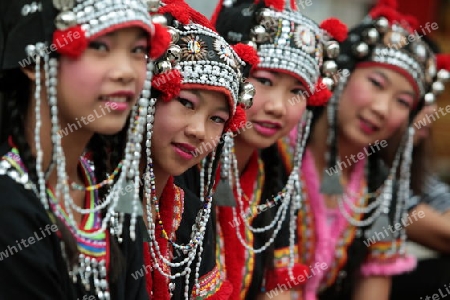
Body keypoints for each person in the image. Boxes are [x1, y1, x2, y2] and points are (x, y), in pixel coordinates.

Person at [176, 0, 347, 298]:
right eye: (265, 81)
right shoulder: (181, 158)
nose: (278, 107)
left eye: (297, 92)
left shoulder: (276, 167)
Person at [279, 0, 450, 298]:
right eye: (376, 83)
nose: (382, 109)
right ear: (342, 74)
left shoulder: (380, 191)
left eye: (402, 102)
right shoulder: (277, 154)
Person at [0, 0, 167, 298]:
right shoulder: (8, 205)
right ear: (33, 61)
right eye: (101, 46)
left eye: (138, 50)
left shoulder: (109, 193)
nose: (127, 72)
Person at [137, 1, 258, 298]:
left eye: (217, 118)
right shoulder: (97, 203)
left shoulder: (191, 215)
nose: (198, 130)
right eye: (186, 103)